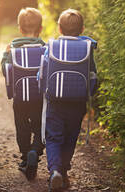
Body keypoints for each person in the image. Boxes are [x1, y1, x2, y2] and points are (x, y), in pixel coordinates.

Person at [40, 9, 98, 191]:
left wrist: (45, 92)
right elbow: (93, 78)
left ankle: (55, 171)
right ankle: (64, 172)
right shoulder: (87, 49)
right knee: (71, 138)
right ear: (82, 29)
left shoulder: (52, 46)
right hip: (77, 103)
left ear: (59, 28)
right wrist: (88, 95)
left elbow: (42, 74)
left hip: (55, 102)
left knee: (53, 137)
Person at [0, 7, 45, 180]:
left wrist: (5, 55)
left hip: (20, 98)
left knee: (22, 128)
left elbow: (6, 71)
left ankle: (26, 158)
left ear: (20, 28)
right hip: (40, 98)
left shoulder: (13, 49)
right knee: (40, 127)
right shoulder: (45, 48)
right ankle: (35, 150)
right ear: (40, 29)